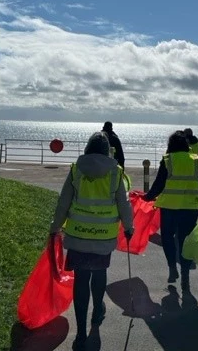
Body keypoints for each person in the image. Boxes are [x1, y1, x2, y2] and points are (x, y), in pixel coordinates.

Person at [49, 132, 134, 351]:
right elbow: (123, 203)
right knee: (99, 274)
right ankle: (98, 310)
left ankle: (80, 332)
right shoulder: (115, 173)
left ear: (87, 148)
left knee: (81, 280)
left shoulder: (76, 169)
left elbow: (63, 202)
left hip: (78, 235)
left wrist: (55, 227)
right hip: (104, 236)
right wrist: (128, 227)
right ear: (107, 151)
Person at [143, 130, 198, 289]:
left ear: (170, 145)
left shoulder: (168, 160)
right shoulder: (196, 160)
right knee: (185, 241)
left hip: (169, 207)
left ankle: (172, 268)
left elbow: (159, 184)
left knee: (167, 237)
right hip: (191, 208)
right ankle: (185, 275)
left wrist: (148, 197)